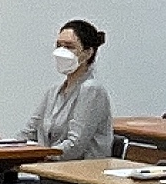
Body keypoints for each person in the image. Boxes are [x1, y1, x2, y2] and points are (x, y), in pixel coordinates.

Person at [24, 19, 113, 161]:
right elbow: (30, 131)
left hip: (79, 170)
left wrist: (42, 156)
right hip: (47, 167)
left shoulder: (92, 90)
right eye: (59, 45)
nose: (62, 52)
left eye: (69, 47)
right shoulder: (54, 91)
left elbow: (75, 145)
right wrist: (6, 149)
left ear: (88, 53)